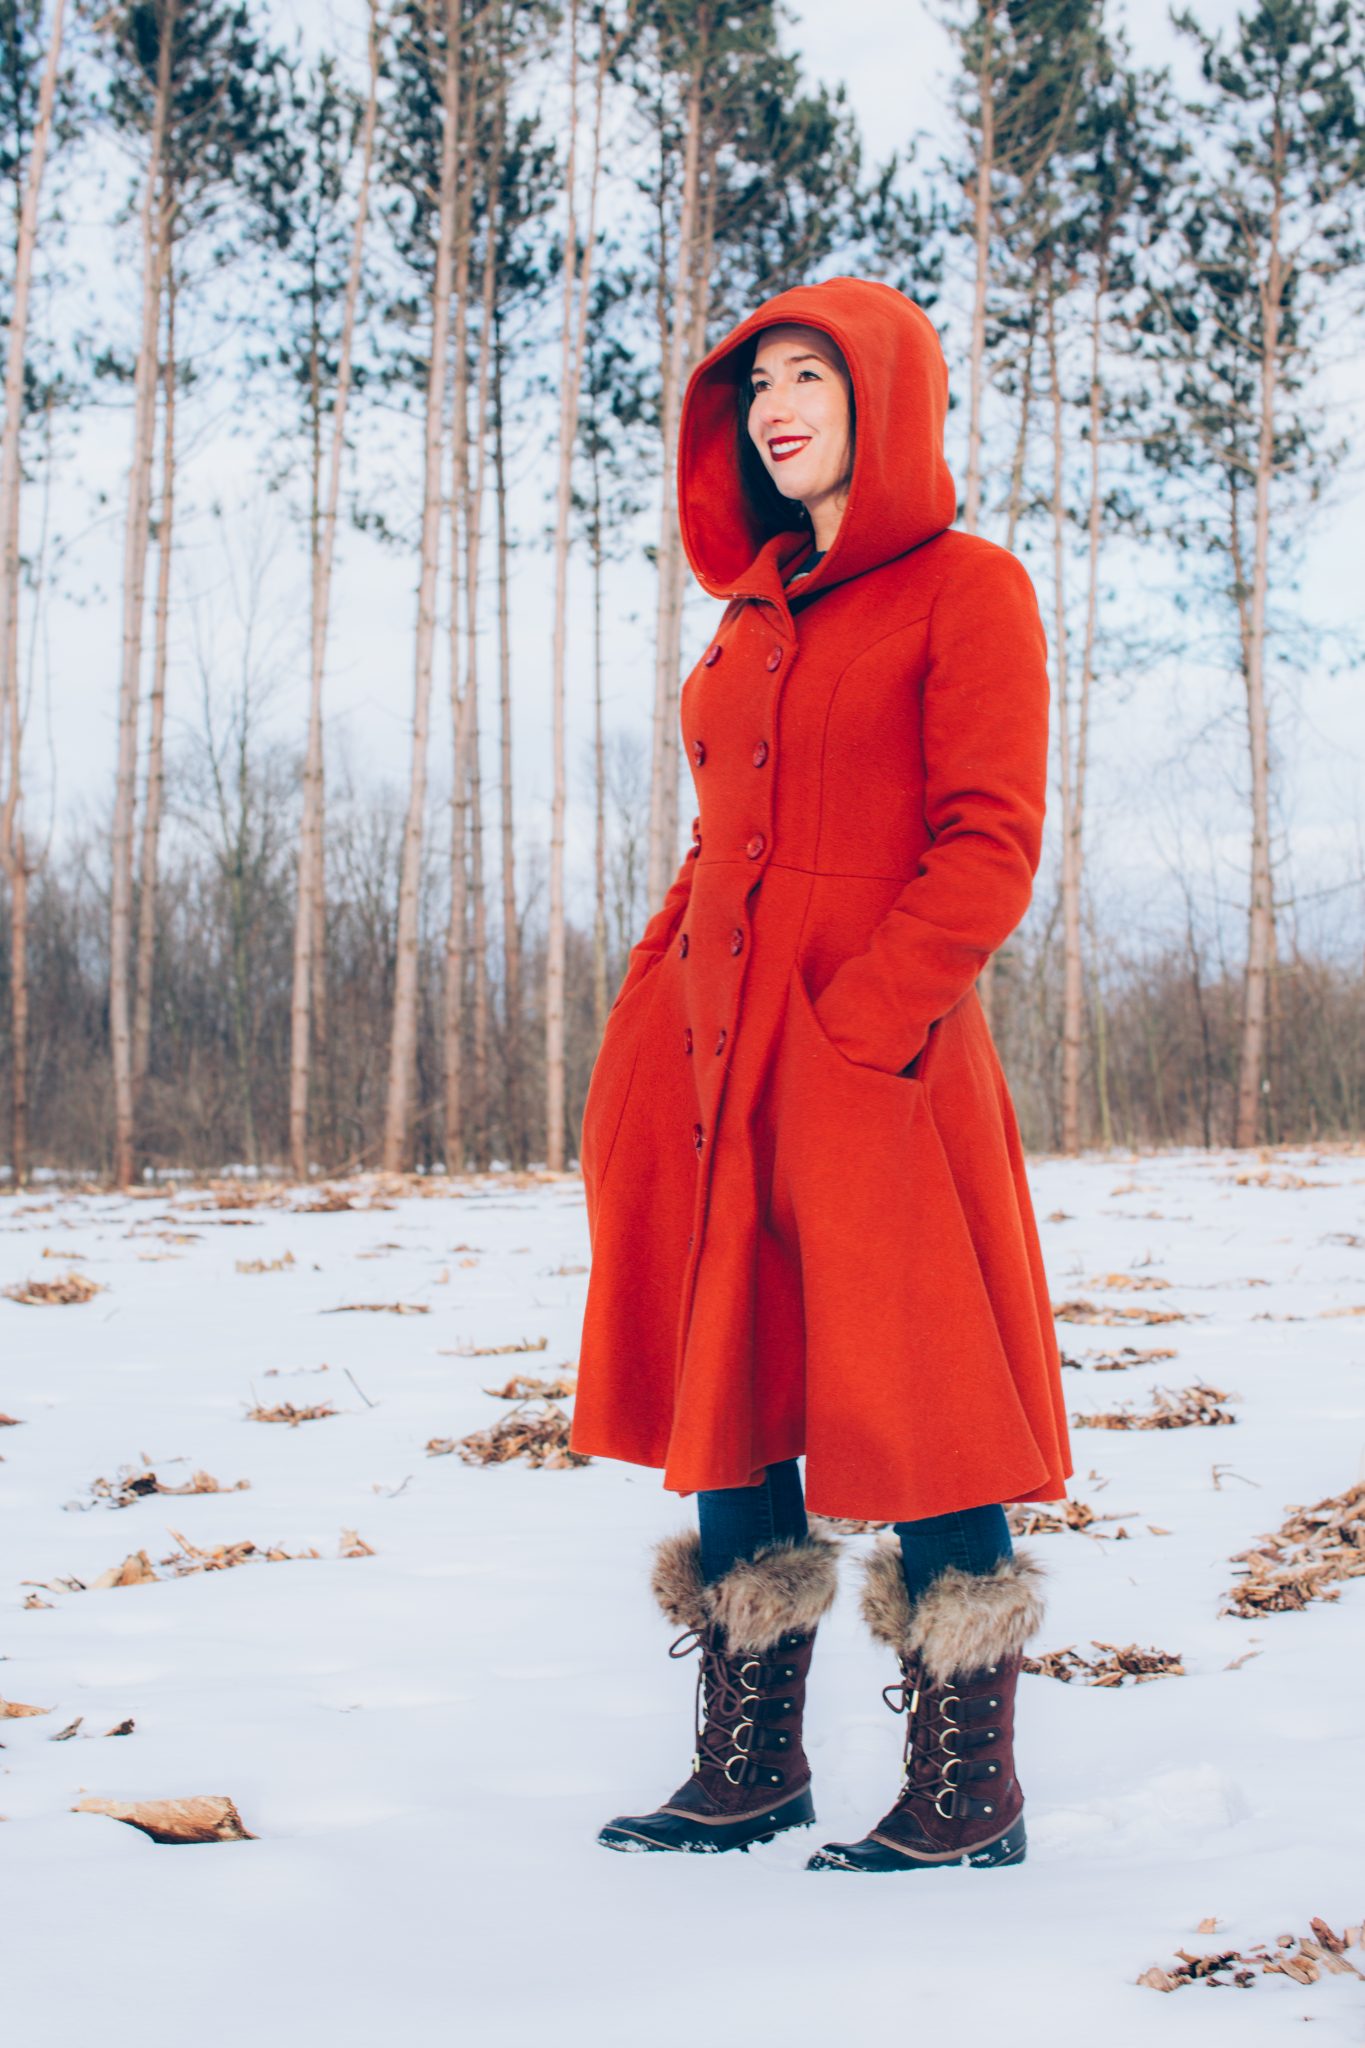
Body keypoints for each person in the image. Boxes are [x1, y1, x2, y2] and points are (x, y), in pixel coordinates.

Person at [571, 277, 1072, 1871]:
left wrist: (868, 1022)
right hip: (708, 1050)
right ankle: (749, 1764)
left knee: (914, 1390)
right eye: (757, 384)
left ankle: (963, 1787)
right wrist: (648, 991)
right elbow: (724, 837)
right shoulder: (748, 616)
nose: (776, 404)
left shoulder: (965, 588)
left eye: (810, 374)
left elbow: (986, 846)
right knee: (730, 1389)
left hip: (873, 1054)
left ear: (886, 397)